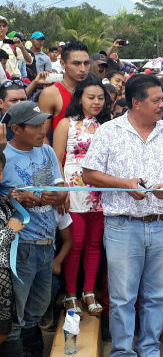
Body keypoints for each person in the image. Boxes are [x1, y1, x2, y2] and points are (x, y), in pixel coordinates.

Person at [82, 74, 163, 357]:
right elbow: (89, 173)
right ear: (136, 102)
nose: (162, 106)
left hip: (160, 224)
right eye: (156, 100)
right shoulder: (109, 132)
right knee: (122, 298)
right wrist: (124, 184)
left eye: (162, 100)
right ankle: (122, 351)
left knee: (157, 295)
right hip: (121, 224)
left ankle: (150, 348)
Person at [1, 101, 67, 357]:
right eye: (36, 125)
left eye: (44, 124)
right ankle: (18, 347)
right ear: (16, 128)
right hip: (19, 245)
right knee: (15, 309)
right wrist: (15, 198)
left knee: (40, 304)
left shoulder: (47, 152)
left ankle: (30, 341)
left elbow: (61, 191)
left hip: (46, 241)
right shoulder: (3, 156)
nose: (43, 130)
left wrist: (56, 195)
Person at [52, 76, 111, 317]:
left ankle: (89, 291)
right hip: (73, 189)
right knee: (75, 244)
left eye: (100, 98)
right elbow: (56, 159)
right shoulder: (66, 124)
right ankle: (71, 293)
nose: (96, 102)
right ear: (80, 98)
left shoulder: (108, 126)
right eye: (91, 97)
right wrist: (62, 190)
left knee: (95, 244)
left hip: (100, 189)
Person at [38, 41, 90, 140]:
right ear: (62, 63)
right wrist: (53, 156)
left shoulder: (96, 92)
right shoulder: (51, 94)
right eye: (76, 63)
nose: (83, 69)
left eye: (86, 63)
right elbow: (42, 136)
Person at [0, 151, 25, 351]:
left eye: (0, 171)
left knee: (4, 330)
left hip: (3, 282)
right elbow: (7, 228)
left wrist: (10, 201)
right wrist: (10, 230)